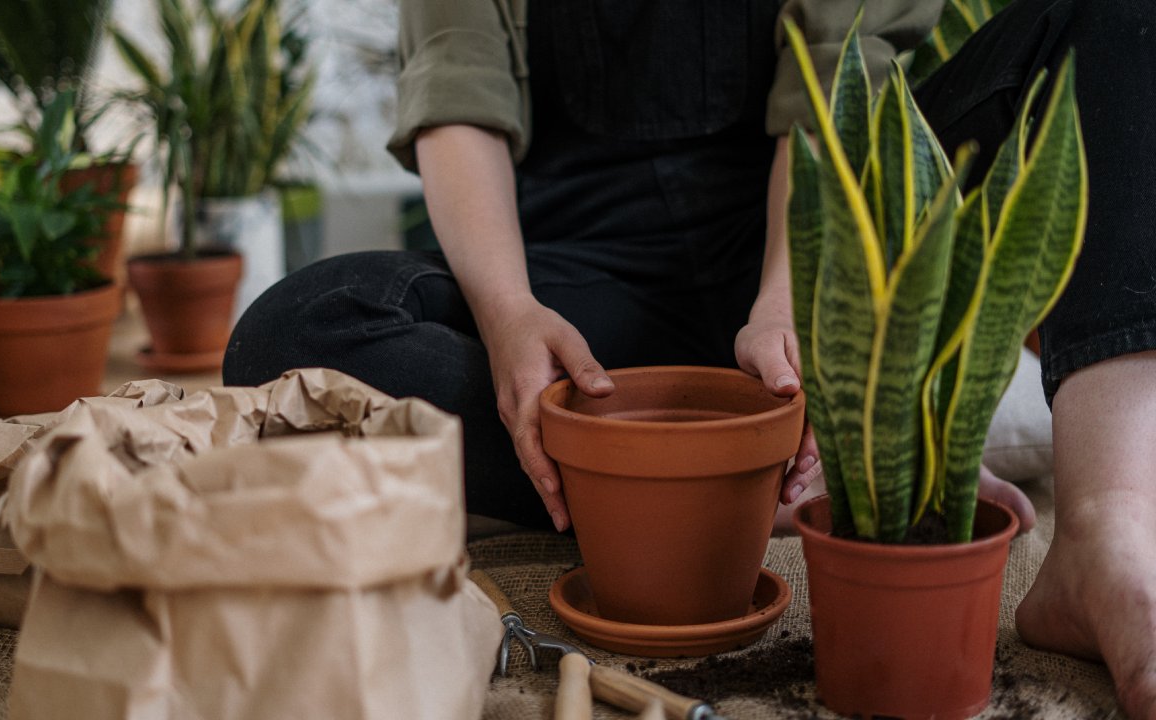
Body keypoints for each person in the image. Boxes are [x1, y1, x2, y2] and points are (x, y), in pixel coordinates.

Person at [224, 1, 1156, 717]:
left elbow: (839, 78)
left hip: (819, 245)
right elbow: (458, 89)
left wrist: (790, 310)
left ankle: (1106, 531)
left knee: (1117, 17)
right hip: (579, 294)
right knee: (290, 333)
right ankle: (730, 478)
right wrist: (510, 318)